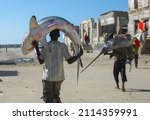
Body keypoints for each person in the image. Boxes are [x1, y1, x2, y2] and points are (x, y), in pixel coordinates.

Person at [32, 29, 83, 103]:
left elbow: (41, 61)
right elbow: (69, 61)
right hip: (59, 77)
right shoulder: (63, 46)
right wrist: (79, 54)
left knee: (48, 99)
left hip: (48, 77)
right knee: (56, 97)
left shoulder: (45, 46)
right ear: (59, 35)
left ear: (49, 35)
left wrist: (36, 48)